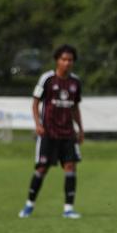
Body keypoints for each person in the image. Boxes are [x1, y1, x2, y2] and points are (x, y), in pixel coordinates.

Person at [19, 44, 84, 220]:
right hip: (48, 132)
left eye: (70, 60)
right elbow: (35, 103)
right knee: (42, 168)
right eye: (64, 59)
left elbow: (75, 108)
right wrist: (38, 124)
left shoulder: (75, 82)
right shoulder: (47, 79)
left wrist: (81, 129)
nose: (67, 63)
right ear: (57, 60)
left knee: (71, 167)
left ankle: (68, 208)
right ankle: (29, 205)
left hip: (68, 133)